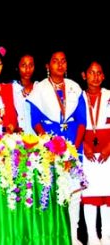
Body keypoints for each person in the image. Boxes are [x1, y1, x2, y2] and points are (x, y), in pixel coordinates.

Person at [27, 51, 87, 245]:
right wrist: (49, 144)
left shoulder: (75, 88)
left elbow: (82, 121)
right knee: (51, 189)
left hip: (73, 144)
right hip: (49, 146)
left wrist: (74, 149)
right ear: (47, 65)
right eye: (55, 61)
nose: (60, 65)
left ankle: (74, 232)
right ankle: (56, 234)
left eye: (63, 61)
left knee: (74, 191)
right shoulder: (40, 89)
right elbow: (36, 122)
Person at [80, 61, 110, 245]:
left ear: (104, 76)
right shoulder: (78, 98)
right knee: (89, 192)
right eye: (92, 72)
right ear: (84, 75)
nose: (96, 76)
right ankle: (91, 235)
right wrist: (84, 144)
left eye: (99, 73)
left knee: (108, 192)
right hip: (87, 151)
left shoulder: (109, 96)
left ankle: (106, 234)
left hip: (108, 149)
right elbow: (74, 124)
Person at [13, 54, 38, 133]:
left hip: (39, 139)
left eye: (31, 65)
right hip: (18, 139)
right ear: (17, 67)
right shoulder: (11, 88)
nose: (28, 69)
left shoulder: (39, 88)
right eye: (24, 65)